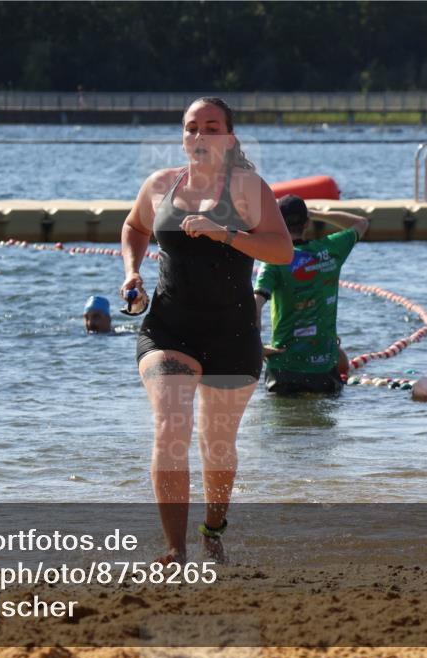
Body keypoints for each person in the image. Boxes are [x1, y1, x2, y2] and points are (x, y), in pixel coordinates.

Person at [120, 97, 292, 564]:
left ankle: (212, 529)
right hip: (168, 328)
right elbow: (134, 226)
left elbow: (281, 252)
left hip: (232, 335)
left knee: (217, 444)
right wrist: (132, 272)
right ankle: (174, 549)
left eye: (210, 127)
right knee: (170, 428)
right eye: (191, 128)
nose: (199, 136)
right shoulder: (159, 185)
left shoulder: (249, 189)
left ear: (229, 138)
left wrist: (225, 234)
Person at [254, 195, 368, 395]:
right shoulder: (331, 249)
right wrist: (318, 214)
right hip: (323, 367)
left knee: (285, 424)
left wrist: (256, 346)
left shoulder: (274, 259)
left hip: (284, 368)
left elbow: (255, 304)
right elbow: (361, 222)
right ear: (307, 222)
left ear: (277, 223)